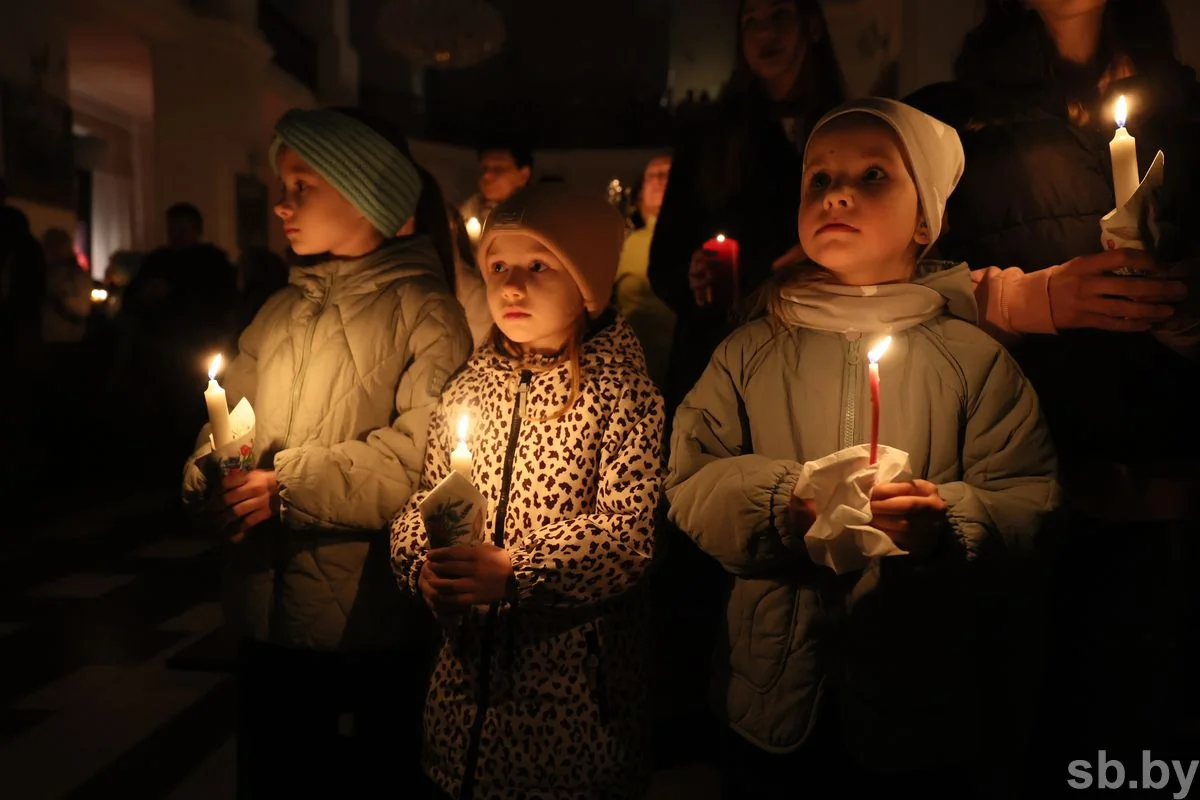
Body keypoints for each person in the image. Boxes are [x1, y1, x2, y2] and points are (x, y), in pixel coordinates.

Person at [666, 98, 1058, 799]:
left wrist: (945, 523)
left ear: (924, 220)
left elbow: (1029, 502)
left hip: (916, 699)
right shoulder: (750, 350)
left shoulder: (972, 361)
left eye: (872, 175)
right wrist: (786, 503)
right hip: (774, 694)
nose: (837, 193)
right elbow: (691, 481)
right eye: (818, 179)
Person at [905, 0, 1200, 776]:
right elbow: (890, 289)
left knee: (1142, 748)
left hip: (1163, 497)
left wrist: (1186, 315)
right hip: (1013, 493)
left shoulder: (1185, 109)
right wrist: (1026, 299)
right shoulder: (952, 119)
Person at [181, 107, 473, 797]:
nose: (281, 204)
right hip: (263, 612)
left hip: (369, 623)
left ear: (367, 195)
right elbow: (228, 418)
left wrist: (286, 486)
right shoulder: (279, 310)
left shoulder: (426, 311)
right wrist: (211, 477)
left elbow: (419, 459)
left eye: (302, 185)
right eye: (283, 186)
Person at [390, 185, 665, 800]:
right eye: (498, 267)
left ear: (587, 281)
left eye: (538, 266)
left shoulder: (621, 392)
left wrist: (518, 571)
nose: (511, 287)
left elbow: (630, 533)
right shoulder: (467, 387)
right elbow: (425, 499)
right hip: (463, 699)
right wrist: (421, 565)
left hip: (574, 710)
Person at [648, 0, 847, 420]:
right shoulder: (710, 137)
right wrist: (694, 276)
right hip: (719, 354)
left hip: (819, 345)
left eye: (779, 16)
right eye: (751, 21)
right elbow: (665, 260)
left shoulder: (847, 127)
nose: (764, 33)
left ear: (811, 26)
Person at [615, 154, 675, 389]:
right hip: (631, 367)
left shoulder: (701, 245)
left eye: (668, 173)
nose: (659, 179)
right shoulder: (622, 243)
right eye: (652, 175)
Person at [457, 143, 534, 237]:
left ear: (524, 175)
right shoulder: (465, 214)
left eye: (498, 169)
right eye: (484, 168)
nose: (486, 175)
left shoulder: (536, 218)